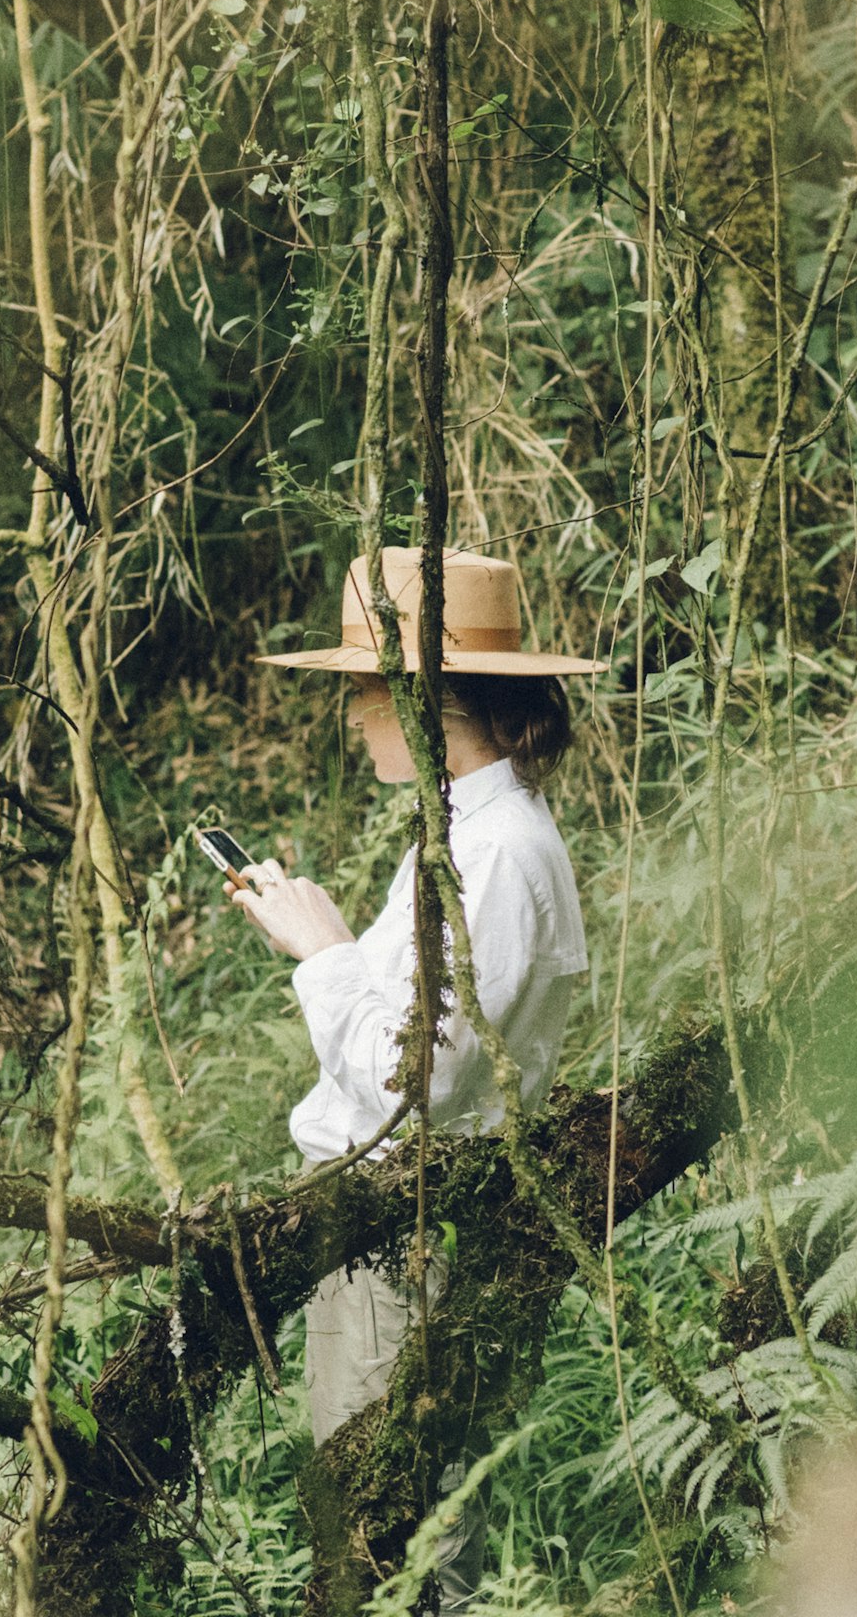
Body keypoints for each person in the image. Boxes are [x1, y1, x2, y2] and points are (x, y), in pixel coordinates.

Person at [228, 544, 603, 1610]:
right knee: (386, 1524)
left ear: (429, 696)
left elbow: (418, 1084)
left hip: (406, 1230)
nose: (351, 715)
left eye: (362, 687)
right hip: (388, 1227)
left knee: (390, 1536)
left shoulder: (494, 855)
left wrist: (323, 956)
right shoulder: (465, 837)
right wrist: (333, 941)